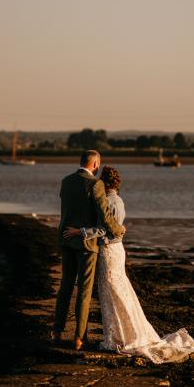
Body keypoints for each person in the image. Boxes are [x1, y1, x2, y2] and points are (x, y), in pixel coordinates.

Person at [64, 165, 194, 364]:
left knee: (113, 292)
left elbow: (103, 231)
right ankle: (120, 334)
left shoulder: (108, 201)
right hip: (116, 250)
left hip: (109, 251)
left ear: (105, 183)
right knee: (116, 291)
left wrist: (79, 232)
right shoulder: (119, 200)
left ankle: (122, 336)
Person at [54, 150, 125, 350]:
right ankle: (79, 338)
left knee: (65, 287)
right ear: (95, 164)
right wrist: (119, 229)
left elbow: (69, 208)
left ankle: (57, 332)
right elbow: (104, 215)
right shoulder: (96, 184)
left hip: (66, 239)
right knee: (84, 291)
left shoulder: (66, 181)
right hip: (86, 245)